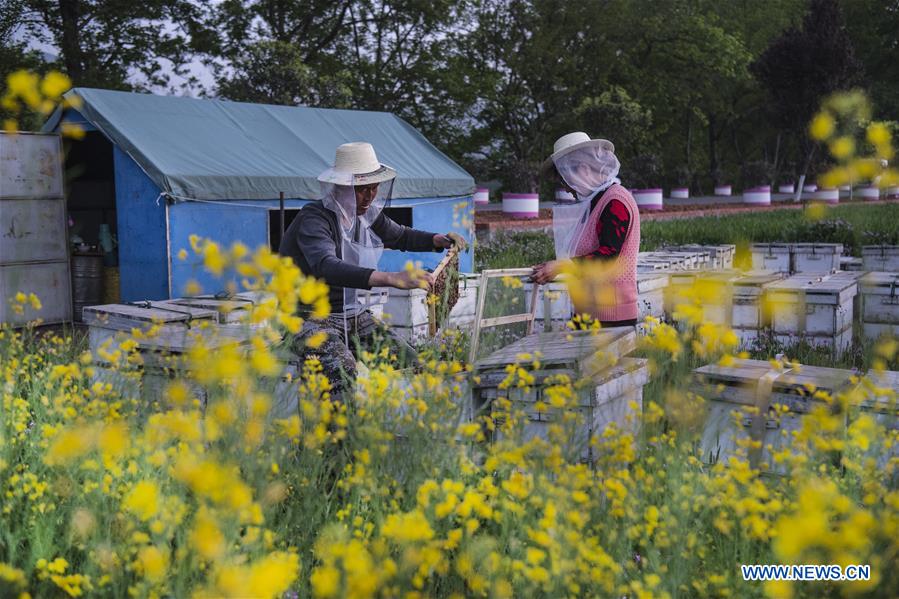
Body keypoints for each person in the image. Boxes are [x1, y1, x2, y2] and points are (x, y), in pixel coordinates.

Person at [279, 141, 466, 398]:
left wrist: (437, 240)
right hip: (308, 318)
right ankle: (340, 437)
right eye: (362, 190)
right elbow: (326, 266)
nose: (370, 196)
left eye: (374, 188)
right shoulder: (314, 219)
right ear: (341, 186)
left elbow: (399, 235)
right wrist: (391, 278)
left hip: (353, 315)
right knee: (341, 371)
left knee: (411, 364)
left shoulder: (365, 214)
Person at [530, 132, 640, 327]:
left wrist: (561, 266)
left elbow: (608, 254)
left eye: (565, 181)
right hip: (591, 311)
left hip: (610, 315)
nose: (566, 189)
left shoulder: (615, 202)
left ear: (582, 169)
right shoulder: (596, 202)